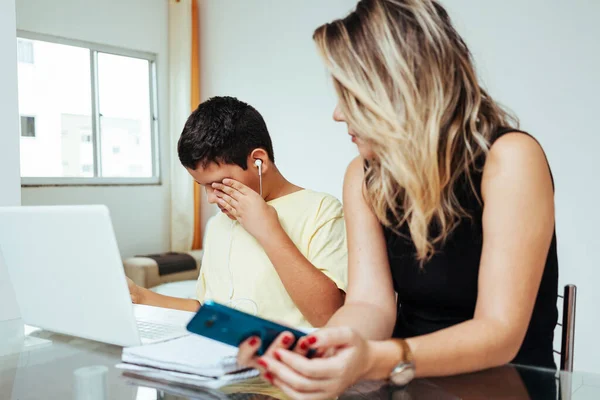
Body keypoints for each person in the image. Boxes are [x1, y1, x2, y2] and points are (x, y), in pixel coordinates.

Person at [237, 1, 558, 397]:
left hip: (507, 386)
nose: (337, 114)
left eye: (350, 96)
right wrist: (319, 348)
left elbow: (500, 333)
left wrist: (376, 357)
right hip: (409, 383)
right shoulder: (362, 175)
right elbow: (370, 305)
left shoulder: (510, 159)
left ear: (399, 89)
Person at [127, 96, 348, 328]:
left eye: (218, 184)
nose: (211, 198)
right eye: (203, 186)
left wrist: (268, 231)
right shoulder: (219, 223)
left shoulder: (322, 211)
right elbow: (207, 310)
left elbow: (329, 316)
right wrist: (140, 297)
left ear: (258, 161)